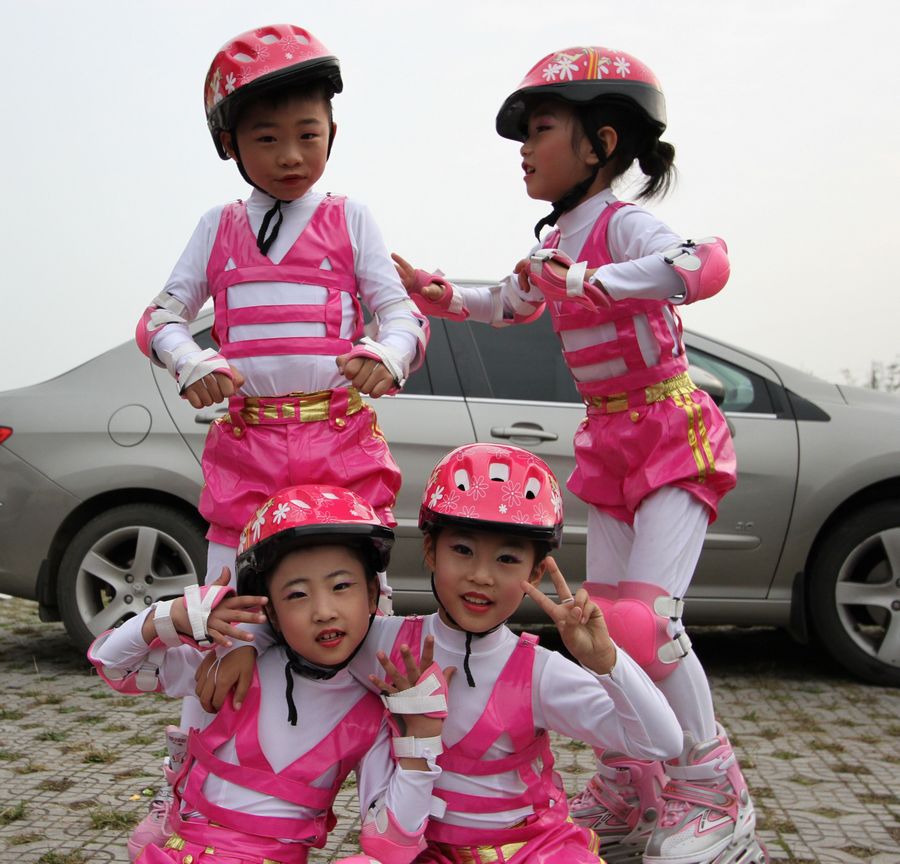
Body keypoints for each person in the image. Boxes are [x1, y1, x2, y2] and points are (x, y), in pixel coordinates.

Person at [394, 47, 767, 864]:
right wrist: (442, 296)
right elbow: (511, 302)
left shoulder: (620, 225)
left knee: (647, 622)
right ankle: (633, 785)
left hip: (669, 430)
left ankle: (714, 791)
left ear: (601, 142)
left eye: (540, 129)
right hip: (611, 438)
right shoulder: (557, 239)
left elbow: (705, 262)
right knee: (599, 620)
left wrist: (602, 279)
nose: (524, 149)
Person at [132, 22, 428, 853]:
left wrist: (386, 355)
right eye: (267, 138)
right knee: (222, 617)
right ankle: (187, 791)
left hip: (340, 447)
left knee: (363, 616)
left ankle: (397, 798)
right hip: (248, 453)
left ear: (333, 131)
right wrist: (193, 361)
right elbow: (158, 318)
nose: (292, 155)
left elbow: (401, 313)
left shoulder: (351, 218)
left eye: (309, 133)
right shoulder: (217, 227)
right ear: (230, 144)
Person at [199, 444, 684, 863]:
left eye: (508, 559)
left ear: (535, 574)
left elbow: (662, 743)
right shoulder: (380, 644)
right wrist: (246, 644)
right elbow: (306, 628)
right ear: (430, 551)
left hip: (534, 850)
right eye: (463, 550)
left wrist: (607, 663)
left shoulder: (539, 673)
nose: (481, 576)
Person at [88, 484, 450, 864]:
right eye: (297, 595)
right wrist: (170, 615)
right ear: (272, 611)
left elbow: (393, 839)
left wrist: (420, 743)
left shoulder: (372, 715)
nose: (324, 611)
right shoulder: (234, 666)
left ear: (373, 594)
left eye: (341, 586)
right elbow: (113, 664)